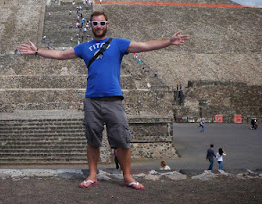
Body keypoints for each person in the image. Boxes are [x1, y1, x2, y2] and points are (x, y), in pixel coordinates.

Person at [20, 11, 189, 190]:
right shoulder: (84, 47)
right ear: (90, 26)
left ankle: (127, 176)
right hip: (92, 100)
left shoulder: (118, 44)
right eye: (95, 24)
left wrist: (168, 42)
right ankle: (92, 175)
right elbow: (61, 55)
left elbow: (145, 45)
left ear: (107, 24)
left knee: (123, 140)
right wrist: (37, 51)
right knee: (93, 140)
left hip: (114, 100)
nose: (98, 27)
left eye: (102, 23)